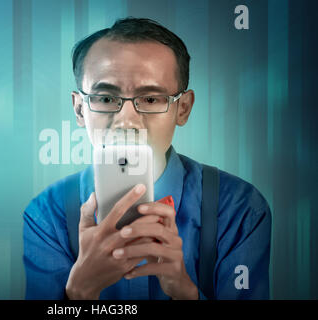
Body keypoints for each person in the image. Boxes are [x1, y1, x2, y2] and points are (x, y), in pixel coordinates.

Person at [23, 17, 271, 300]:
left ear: (183, 108)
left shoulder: (240, 208)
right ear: (80, 109)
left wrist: (185, 291)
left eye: (151, 99)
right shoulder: (45, 215)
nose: (127, 121)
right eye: (105, 98)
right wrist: (78, 293)